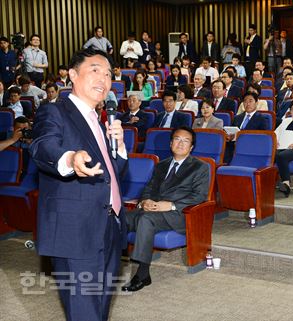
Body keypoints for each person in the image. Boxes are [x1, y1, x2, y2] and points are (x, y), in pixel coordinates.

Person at [29, 48, 127, 321]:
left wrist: (118, 147)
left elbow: (109, 175)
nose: (104, 79)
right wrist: (70, 158)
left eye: (108, 74)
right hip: (76, 230)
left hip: (109, 225)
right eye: (95, 70)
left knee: (100, 307)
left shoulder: (101, 120)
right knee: (84, 311)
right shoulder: (55, 111)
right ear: (73, 74)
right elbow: (42, 146)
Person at [122, 126, 209, 292]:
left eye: (186, 141)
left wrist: (170, 205)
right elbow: (148, 188)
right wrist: (144, 201)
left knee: (145, 220)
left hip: (179, 214)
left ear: (191, 147)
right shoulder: (161, 165)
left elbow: (199, 197)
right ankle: (108, 263)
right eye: (177, 139)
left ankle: (142, 274)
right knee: (119, 217)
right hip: (153, 210)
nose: (181, 143)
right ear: (171, 143)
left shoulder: (200, 167)